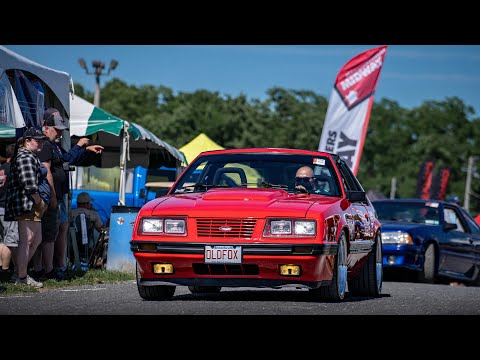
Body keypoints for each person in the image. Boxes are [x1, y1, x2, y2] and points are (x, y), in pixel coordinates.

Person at [37, 108, 104, 280]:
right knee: (50, 233)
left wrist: (86, 150)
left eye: (60, 129)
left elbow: (68, 160)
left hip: (61, 195)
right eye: (56, 129)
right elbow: (54, 168)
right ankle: (48, 269)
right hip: (54, 196)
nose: (59, 133)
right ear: (45, 128)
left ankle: (59, 265)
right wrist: (80, 145)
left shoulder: (55, 146)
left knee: (61, 228)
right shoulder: (45, 145)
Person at [5, 128, 49, 288]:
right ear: (27, 140)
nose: (41, 143)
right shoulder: (24, 156)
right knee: (28, 240)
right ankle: (21, 277)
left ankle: (19, 273)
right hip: (27, 203)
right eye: (38, 140)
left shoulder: (29, 155)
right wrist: (40, 202)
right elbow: (29, 184)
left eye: (42, 140)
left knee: (35, 239)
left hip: (30, 203)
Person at [0, 144, 18, 283]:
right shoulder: (13, 169)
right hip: (7, 207)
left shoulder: (1, 168)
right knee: (10, 241)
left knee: (2, 240)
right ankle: (5, 272)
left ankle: (2, 268)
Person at [70, 192, 105, 263]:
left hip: (70, 245)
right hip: (87, 245)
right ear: (86, 204)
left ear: (77, 203)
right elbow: (101, 228)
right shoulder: (92, 214)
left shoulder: (70, 213)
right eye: (89, 203)